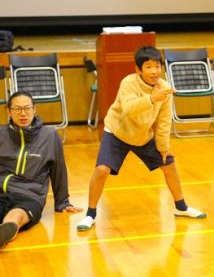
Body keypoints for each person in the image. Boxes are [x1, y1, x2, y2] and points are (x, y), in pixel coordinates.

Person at [77, 46, 206, 231]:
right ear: (138, 70)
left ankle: (181, 207)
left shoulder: (164, 88)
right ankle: (90, 214)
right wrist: (152, 99)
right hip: (117, 133)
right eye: (148, 67)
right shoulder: (128, 83)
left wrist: (163, 146)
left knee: (168, 163)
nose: (154, 71)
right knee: (102, 170)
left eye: (157, 66)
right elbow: (129, 110)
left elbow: (163, 121)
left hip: (143, 135)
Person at [0, 91, 82, 249]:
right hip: (2, 191)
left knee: (16, 215)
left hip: (30, 195)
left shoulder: (49, 136)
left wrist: (62, 202)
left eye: (27, 108)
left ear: (34, 109)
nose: (23, 113)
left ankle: (7, 230)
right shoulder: (1, 134)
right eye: (17, 109)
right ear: (9, 111)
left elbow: (58, 169)